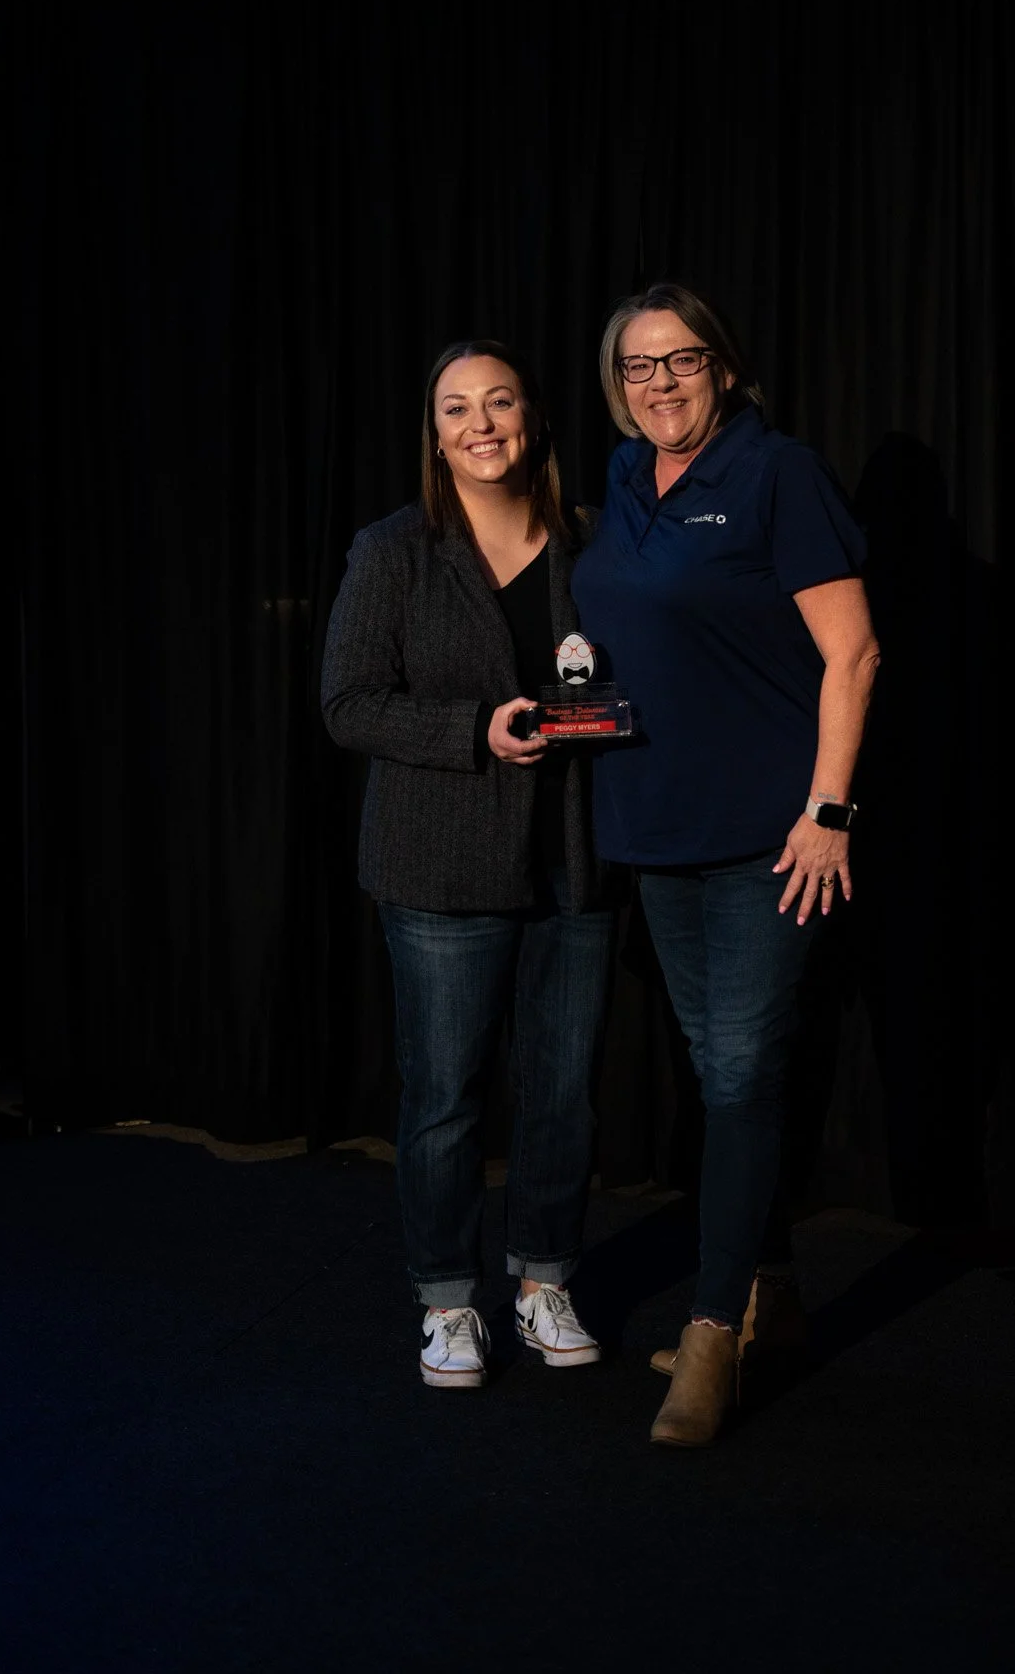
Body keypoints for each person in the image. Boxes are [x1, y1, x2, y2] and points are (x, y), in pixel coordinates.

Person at [572, 284, 879, 1446]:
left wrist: (830, 810)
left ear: (726, 369)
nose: (661, 383)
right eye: (638, 367)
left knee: (744, 1072)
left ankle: (711, 1333)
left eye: (682, 361)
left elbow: (853, 653)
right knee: (718, 1067)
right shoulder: (621, 477)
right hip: (653, 823)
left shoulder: (776, 471)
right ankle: (776, 1295)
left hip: (770, 836)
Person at [321, 339, 616, 1390]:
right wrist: (470, 732)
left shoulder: (590, 539)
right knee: (445, 1095)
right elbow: (348, 703)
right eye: (457, 408)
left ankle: (543, 1281)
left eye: (499, 402)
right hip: (441, 864)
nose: (481, 422)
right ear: (435, 433)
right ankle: (447, 1299)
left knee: (563, 1090)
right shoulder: (395, 550)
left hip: (573, 859)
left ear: (530, 418)